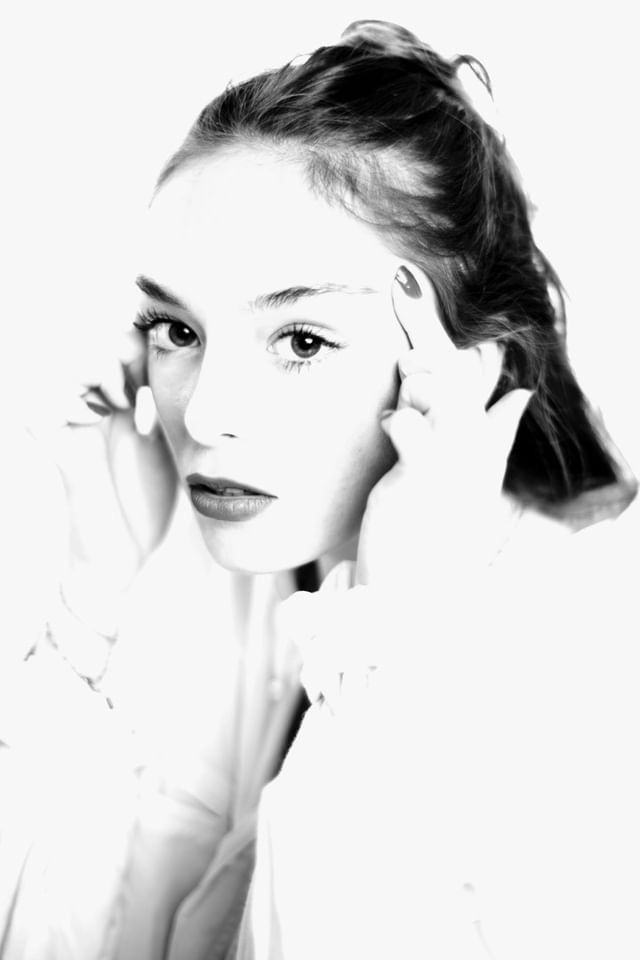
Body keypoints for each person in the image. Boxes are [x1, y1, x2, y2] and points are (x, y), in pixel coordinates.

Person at [1, 18, 637, 960]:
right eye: (177, 330)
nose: (203, 413)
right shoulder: (233, 580)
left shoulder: (591, 675)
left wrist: (389, 654)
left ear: (465, 370)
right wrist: (89, 611)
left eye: (301, 340)